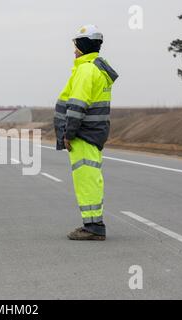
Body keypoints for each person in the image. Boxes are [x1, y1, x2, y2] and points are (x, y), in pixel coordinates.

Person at [54, 24, 119, 241]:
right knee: (91, 178)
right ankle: (93, 224)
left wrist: (68, 133)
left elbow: (77, 106)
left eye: (76, 45)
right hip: (93, 133)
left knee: (86, 180)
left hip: (83, 134)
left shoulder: (86, 69)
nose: (74, 50)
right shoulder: (96, 69)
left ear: (83, 45)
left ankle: (93, 227)